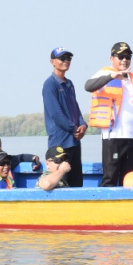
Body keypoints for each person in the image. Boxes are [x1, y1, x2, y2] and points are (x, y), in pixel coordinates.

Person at [86, 41, 133, 186]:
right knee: (110, 176)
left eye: (128, 57)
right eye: (120, 57)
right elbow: (88, 86)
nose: (124, 60)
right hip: (113, 136)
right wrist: (112, 76)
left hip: (132, 136)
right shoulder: (105, 73)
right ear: (112, 58)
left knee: (129, 178)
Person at [42, 47, 87, 188]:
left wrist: (83, 125)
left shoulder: (69, 84)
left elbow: (75, 108)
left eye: (68, 58)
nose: (66, 61)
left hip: (74, 141)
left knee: (76, 182)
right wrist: (74, 128)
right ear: (52, 62)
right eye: (62, 58)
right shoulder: (50, 84)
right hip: (60, 143)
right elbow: (56, 114)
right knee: (61, 182)